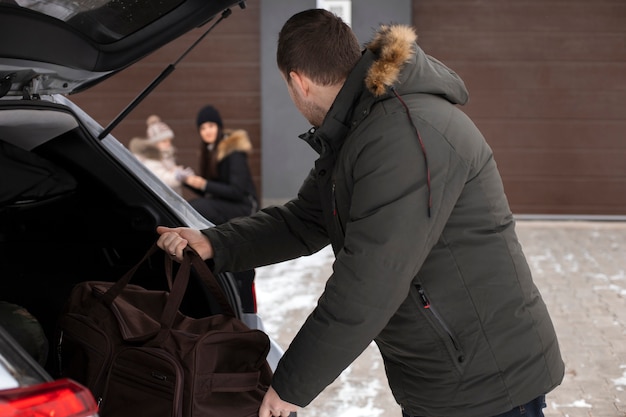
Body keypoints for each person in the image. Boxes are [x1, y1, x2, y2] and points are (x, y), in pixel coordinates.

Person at [157, 9, 564, 417]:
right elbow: (304, 220)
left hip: (486, 379)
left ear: (297, 82)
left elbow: (368, 283)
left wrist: (290, 386)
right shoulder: (361, 129)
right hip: (446, 374)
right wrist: (214, 242)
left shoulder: (403, 134)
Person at [183, 105, 258, 225]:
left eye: (211, 126)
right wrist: (187, 181)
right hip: (224, 202)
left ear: (219, 126)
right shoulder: (209, 151)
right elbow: (210, 190)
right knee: (190, 207)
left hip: (245, 206)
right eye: (203, 128)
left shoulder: (234, 151)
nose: (207, 131)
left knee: (198, 207)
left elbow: (237, 191)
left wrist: (204, 184)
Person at [129, 115, 193, 195]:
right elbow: (162, 179)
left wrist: (176, 171)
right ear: (154, 143)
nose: (168, 144)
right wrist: (176, 176)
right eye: (164, 141)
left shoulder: (167, 156)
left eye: (169, 140)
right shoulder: (151, 159)